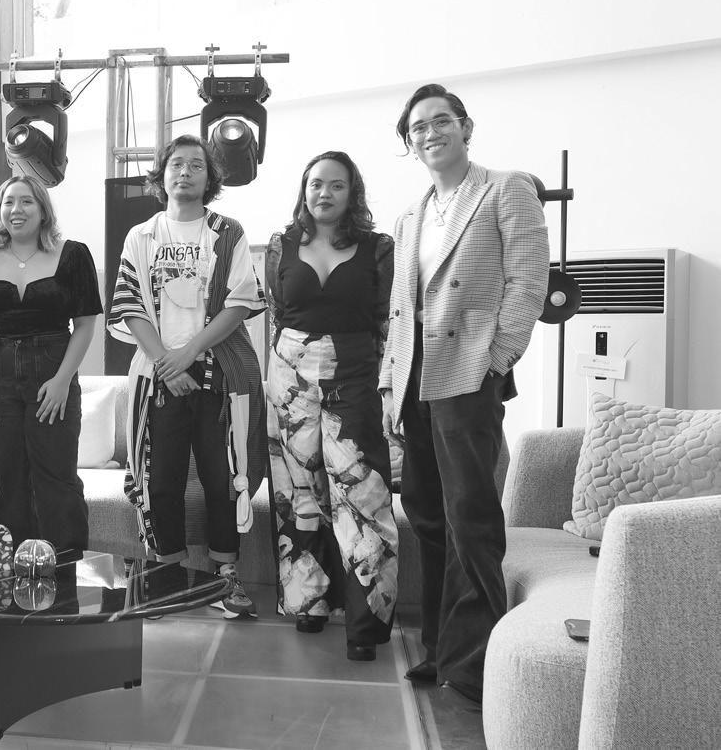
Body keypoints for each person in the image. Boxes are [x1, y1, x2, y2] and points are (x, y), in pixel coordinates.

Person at [381, 84, 548, 704]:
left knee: (470, 513)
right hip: (415, 374)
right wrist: (389, 383)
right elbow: (400, 308)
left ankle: (478, 662)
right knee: (426, 511)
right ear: (410, 143)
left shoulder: (506, 189)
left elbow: (528, 281)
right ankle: (440, 648)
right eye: (418, 128)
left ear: (465, 126)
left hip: (468, 371)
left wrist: (496, 360)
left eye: (440, 120)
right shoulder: (410, 216)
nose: (430, 133)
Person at [108, 134, 267, 620]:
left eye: (196, 165)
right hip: (158, 375)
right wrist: (166, 362)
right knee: (161, 480)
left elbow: (240, 302)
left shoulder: (228, 232)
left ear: (210, 177)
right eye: (176, 164)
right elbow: (129, 305)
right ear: (161, 174)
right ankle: (167, 576)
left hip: (218, 374)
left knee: (224, 480)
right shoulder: (142, 235)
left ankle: (225, 576)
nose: (185, 172)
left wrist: (190, 353)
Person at [264, 150, 398, 661]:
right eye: (316, 183)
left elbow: (387, 320)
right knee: (299, 493)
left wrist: (389, 388)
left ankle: (366, 626)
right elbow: (278, 314)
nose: (324, 193)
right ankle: (308, 601)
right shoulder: (280, 245)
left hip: (356, 375)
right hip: (290, 377)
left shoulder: (378, 248)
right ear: (304, 189)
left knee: (364, 494)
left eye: (336, 185)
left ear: (352, 193)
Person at [0, 175, 102, 552]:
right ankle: (15, 574)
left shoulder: (73, 254)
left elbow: (85, 326)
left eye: (26, 202)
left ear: (43, 210)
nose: (16, 210)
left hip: (51, 375)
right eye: (8, 202)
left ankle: (66, 573)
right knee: (6, 479)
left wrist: (62, 380)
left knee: (58, 480)